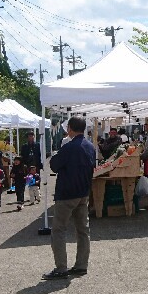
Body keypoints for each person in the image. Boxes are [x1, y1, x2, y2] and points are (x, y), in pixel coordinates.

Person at [42, 116, 95, 280]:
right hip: (83, 192)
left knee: (58, 230)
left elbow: (54, 165)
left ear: (70, 128)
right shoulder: (90, 146)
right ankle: (81, 265)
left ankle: (61, 268)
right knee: (83, 230)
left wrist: (59, 150)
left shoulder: (69, 147)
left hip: (66, 194)